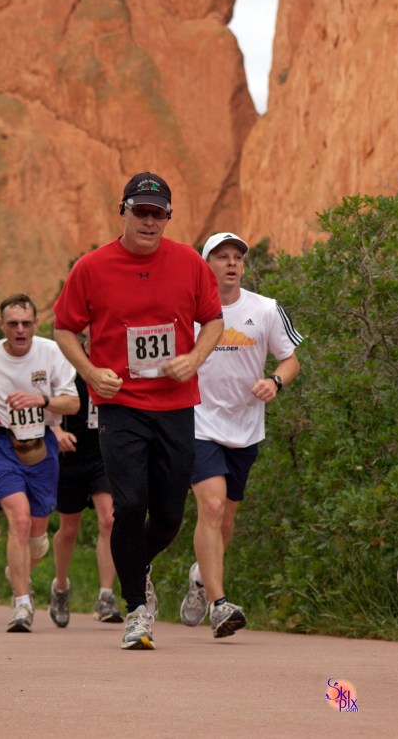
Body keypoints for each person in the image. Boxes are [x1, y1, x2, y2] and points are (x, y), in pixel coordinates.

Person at [53, 172, 224, 650]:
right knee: (127, 506)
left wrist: (193, 359)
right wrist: (89, 371)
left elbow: (213, 319)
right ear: (123, 211)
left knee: (169, 515)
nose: (149, 221)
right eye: (141, 211)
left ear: (168, 217)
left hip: (175, 405)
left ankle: (135, 563)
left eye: (158, 213)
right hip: (120, 405)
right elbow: (64, 328)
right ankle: (137, 611)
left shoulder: (189, 262)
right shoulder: (91, 267)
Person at [179, 232, 303, 638]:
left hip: (246, 427)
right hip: (199, 422)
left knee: (227, 517)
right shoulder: (189, 311)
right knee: (211, 509)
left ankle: (200, 578)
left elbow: (290, 360)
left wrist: (275, 382)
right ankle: (220, 604)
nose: (231, 263)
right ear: (206, 264)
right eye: (222, 256)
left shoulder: (265, 309)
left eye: (237, 257)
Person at [0, 293, 79, 633]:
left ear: (35, 323)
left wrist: (40, 400)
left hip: (40, 442)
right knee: (20, 520)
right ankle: (22, 604)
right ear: (2, 326)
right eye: (13, 324)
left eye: (26, 323)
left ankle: (19, 573)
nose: (20, 329)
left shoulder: (52, 352)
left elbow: (72, 404)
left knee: (37, 539)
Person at [50, 328, 123, 628]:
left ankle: (106, 595)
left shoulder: (116, 369)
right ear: (83, 341)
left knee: (109, 520)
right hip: (70, 457)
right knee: (69, 529)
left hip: (103, 456)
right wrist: (55, 431)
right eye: (93, 336)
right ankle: (61, 586)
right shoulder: (67, 368)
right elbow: (45, 404)